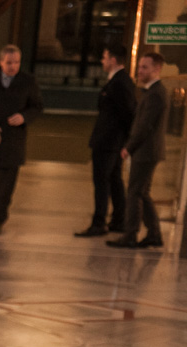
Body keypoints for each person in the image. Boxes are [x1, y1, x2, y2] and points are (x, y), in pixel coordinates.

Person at [0, 45, 43, 236]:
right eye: (9, 63)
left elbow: (37, 106)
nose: (13, 66)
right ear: (0, 62)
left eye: (17, 62)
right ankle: (1, 206)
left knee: (5, 187)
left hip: (13, 141)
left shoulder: (28, 81)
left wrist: (24, 117)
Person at [108, 52, 168, 249]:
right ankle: (154, 234)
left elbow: (145, 126)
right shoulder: (152, 92)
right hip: (147, 150)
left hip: (145, 151)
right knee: (142, 192)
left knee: (134, 192)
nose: (139, 71)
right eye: (140, 66)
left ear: (157, 69)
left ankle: (130, 234)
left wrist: (129, 147)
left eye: (144, 67)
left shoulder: (156, 94)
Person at [76, 45, 136, 237]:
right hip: (112, 141)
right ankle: (119, 219)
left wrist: (123, 140)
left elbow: (127, 113)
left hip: (109, 141)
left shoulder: (120, 83)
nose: (102, 61)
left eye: (104, 57)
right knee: (114, 179)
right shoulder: (117, 81)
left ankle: (99, 222)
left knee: (102, 181)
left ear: (113, 60)